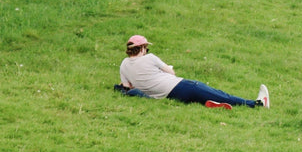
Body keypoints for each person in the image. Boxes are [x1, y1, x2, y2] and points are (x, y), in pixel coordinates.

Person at [115, 35, 270, 108]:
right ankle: (256, 104)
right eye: (146, 48)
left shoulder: (124, 65)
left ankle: (214, 104)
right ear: (142, 48)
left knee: (206, 96)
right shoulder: (150, 58)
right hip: (181, 86)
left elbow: (127, 86)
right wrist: (170, 68)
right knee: (218, 92)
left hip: (169, 96)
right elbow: (171, 73)